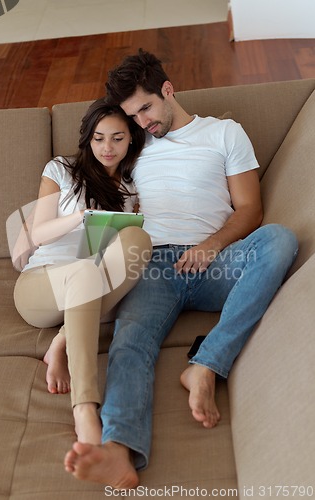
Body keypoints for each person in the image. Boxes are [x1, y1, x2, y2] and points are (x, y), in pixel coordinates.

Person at [64, 50, 299, 489]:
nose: (143, 123)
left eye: (147, 109)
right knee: (130, 343)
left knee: (280, 240)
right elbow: (90, 192)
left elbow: (251, 209)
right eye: (133, 116)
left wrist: (211, 247)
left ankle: (205, 366)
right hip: (151, 264)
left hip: (215, 262)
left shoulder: (225, 134)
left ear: (167, 91)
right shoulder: (130, 148)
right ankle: (118, 449)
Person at [13, 98, 152, 445]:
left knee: (139, 239)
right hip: (41, 284)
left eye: (118, 138)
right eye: (99, 138)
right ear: (88, 139)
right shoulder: (61, 169)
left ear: (131, 139)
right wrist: (80, 218)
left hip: (91, 285)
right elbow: (38, 232)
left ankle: (61, 340)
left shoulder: (132, 186)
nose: (108, 147)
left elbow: (124, 255)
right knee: (84, 272)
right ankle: (84, 408)